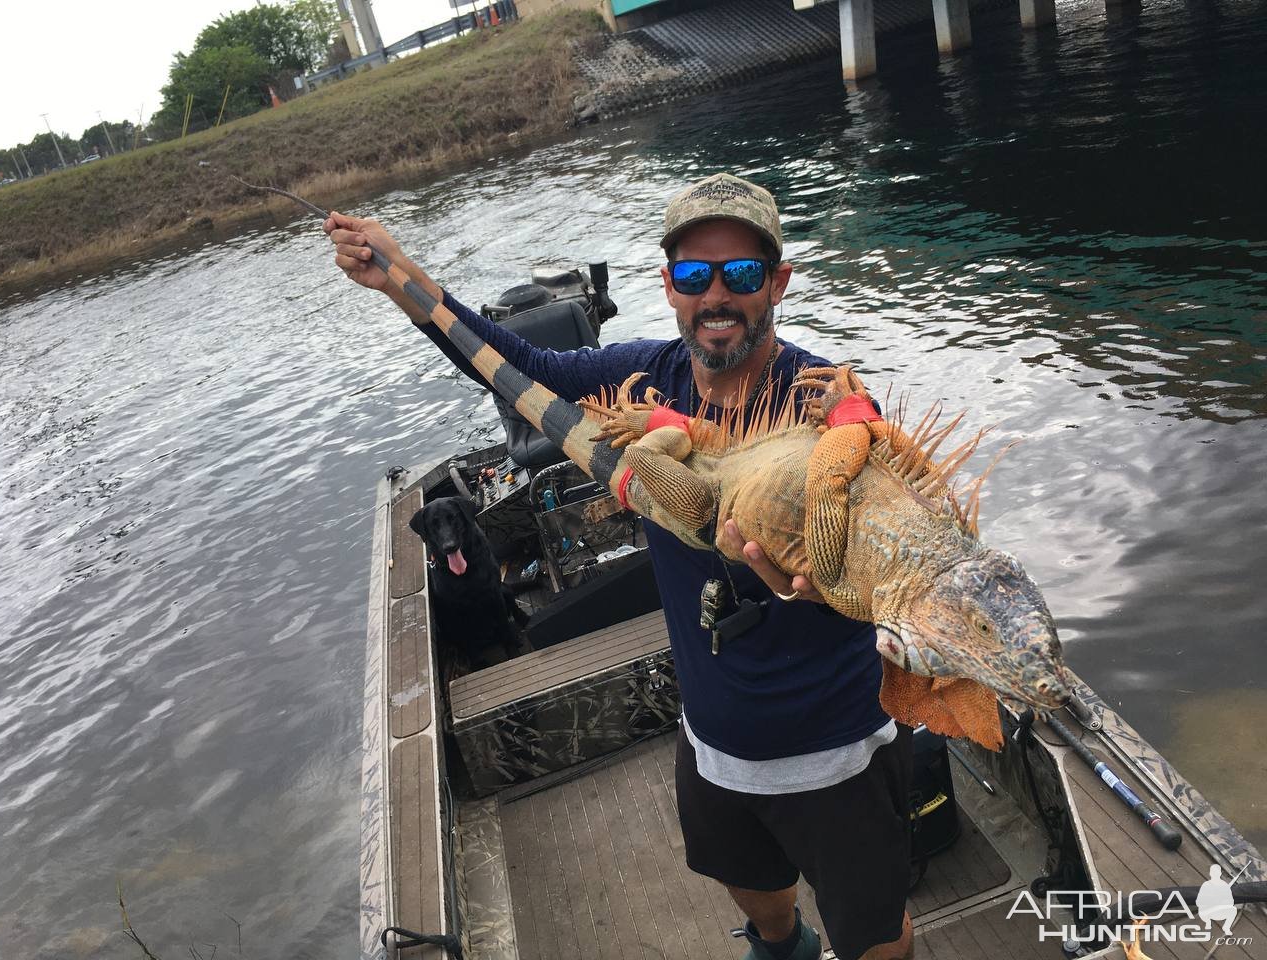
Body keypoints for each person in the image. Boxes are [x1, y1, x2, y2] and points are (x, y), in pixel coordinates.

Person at [326, 172, 915, 960]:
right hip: (714, 734)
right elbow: (507, 364)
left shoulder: (823, 399)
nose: (717, 296)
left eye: (740, 274)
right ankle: (783, 946)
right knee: (756, 895)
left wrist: (825, 582)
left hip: (834, 743)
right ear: (667, 286)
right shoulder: (643, 376)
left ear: (776, 282)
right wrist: (402, 278)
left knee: (876, 936)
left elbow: (886, 533)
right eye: (693, 275)